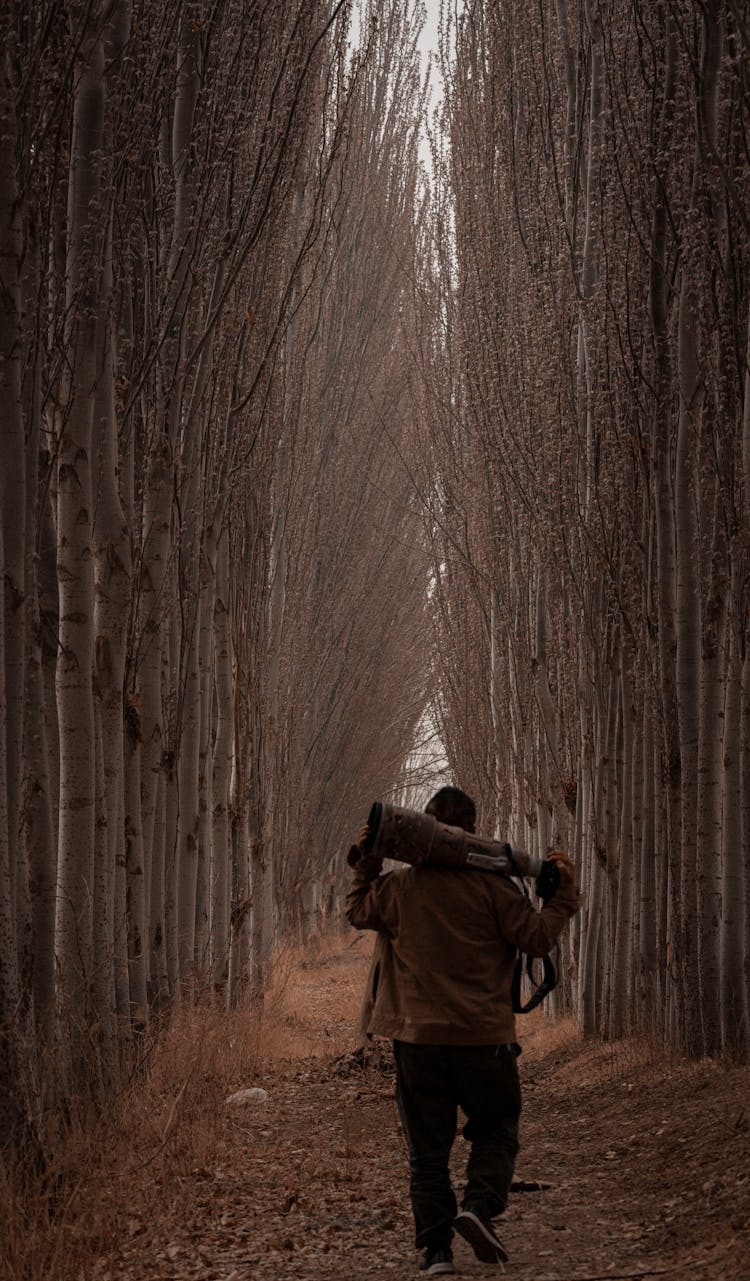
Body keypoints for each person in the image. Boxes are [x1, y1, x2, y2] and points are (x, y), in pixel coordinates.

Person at [345, 785, 579, 1276]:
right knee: (497, 1132)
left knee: (427, 1153)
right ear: (471, 831)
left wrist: (368, 860)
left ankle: (436, 1254)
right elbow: (537, 940)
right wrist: (563, 899)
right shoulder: (497, 889)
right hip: (484, 1041)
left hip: (417, 1042)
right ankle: (478, 1205)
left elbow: (357, 909)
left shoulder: (401, 889)